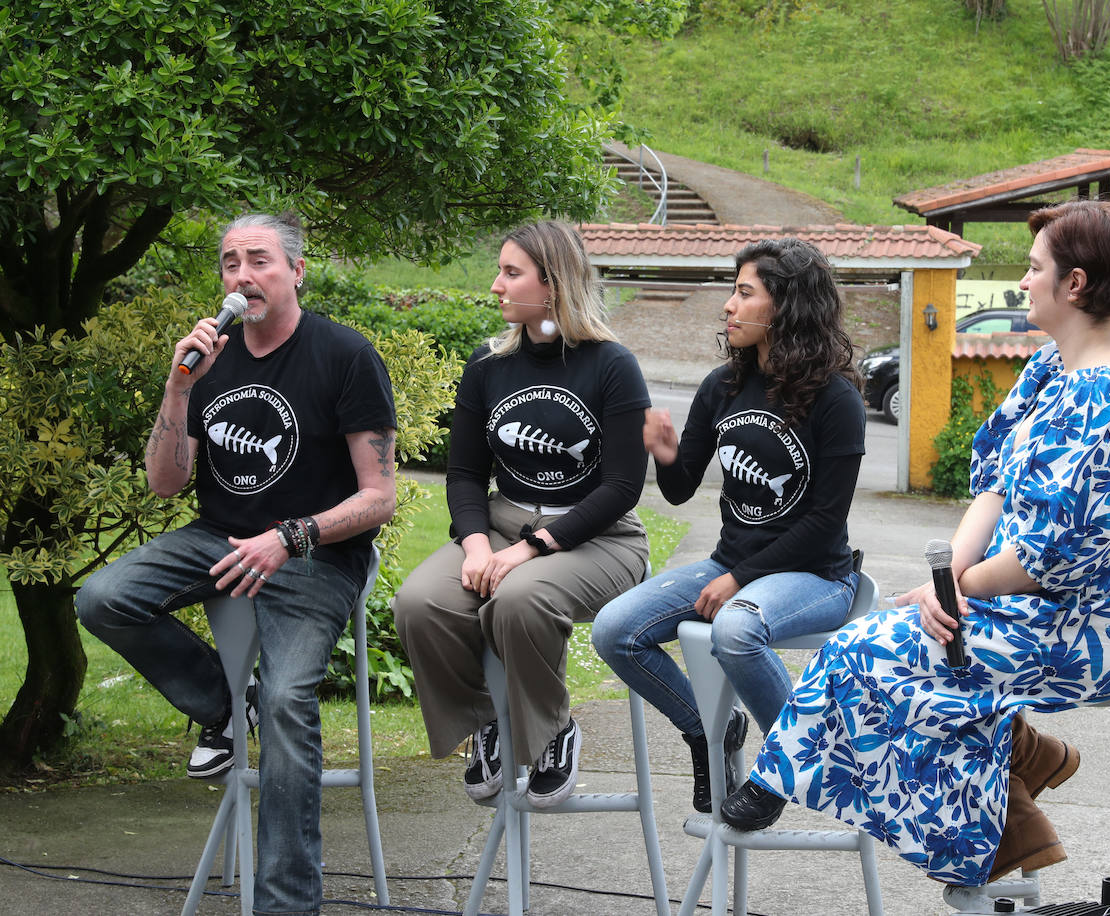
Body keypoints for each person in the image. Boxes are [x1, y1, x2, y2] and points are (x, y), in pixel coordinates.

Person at [725, 200, 1110, 897]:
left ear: (1075, 284)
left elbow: (1050, 557)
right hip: (1017, 601)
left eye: (1033, 269)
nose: (1022, 283)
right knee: (882, 648)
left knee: (871, 655)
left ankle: (986, 844)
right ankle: (1010, 800)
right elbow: (993, 484)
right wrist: (952, 582)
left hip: (1087, 625)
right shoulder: (1056, 368)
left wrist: (962, 592)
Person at [77, 212, 398, 914]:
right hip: (219, 536)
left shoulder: (345, 356)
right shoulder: (211, 359)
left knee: (289, 700)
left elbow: (379, 499)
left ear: (296, 271)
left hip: (316, 554)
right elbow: (164, 484)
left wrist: (290, 536)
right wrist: (178, 388)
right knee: (102, 598)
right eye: (229, 263)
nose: (242, 276)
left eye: (258, 260)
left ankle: (286, 904)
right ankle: (227, 704)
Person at [592, 237, 865, 816]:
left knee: (735, 632)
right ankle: (709, 732)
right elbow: (680, 488)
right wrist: (665, 454)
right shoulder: (723, 385)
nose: (728, 306)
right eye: (733, 291)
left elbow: (825, 521)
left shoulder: (837, 399)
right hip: (733, 568)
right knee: (613, 630)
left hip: (815, 575)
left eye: (745, 293)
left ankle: (785, 767)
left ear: (786, 307)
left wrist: (739, 577)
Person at [393, 220, 650, 809]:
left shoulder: (612, 365)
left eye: (511, 273)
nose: (496, 285)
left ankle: (553, 730)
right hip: (504, 521)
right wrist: (477, 542)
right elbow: (463, 474)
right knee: (419, 601)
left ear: (553, 283)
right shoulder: (488, 366)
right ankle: (486, 725)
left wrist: (531, 547)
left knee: (519, 598)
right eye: (500, 271)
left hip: (600, 535)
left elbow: (622, 486)